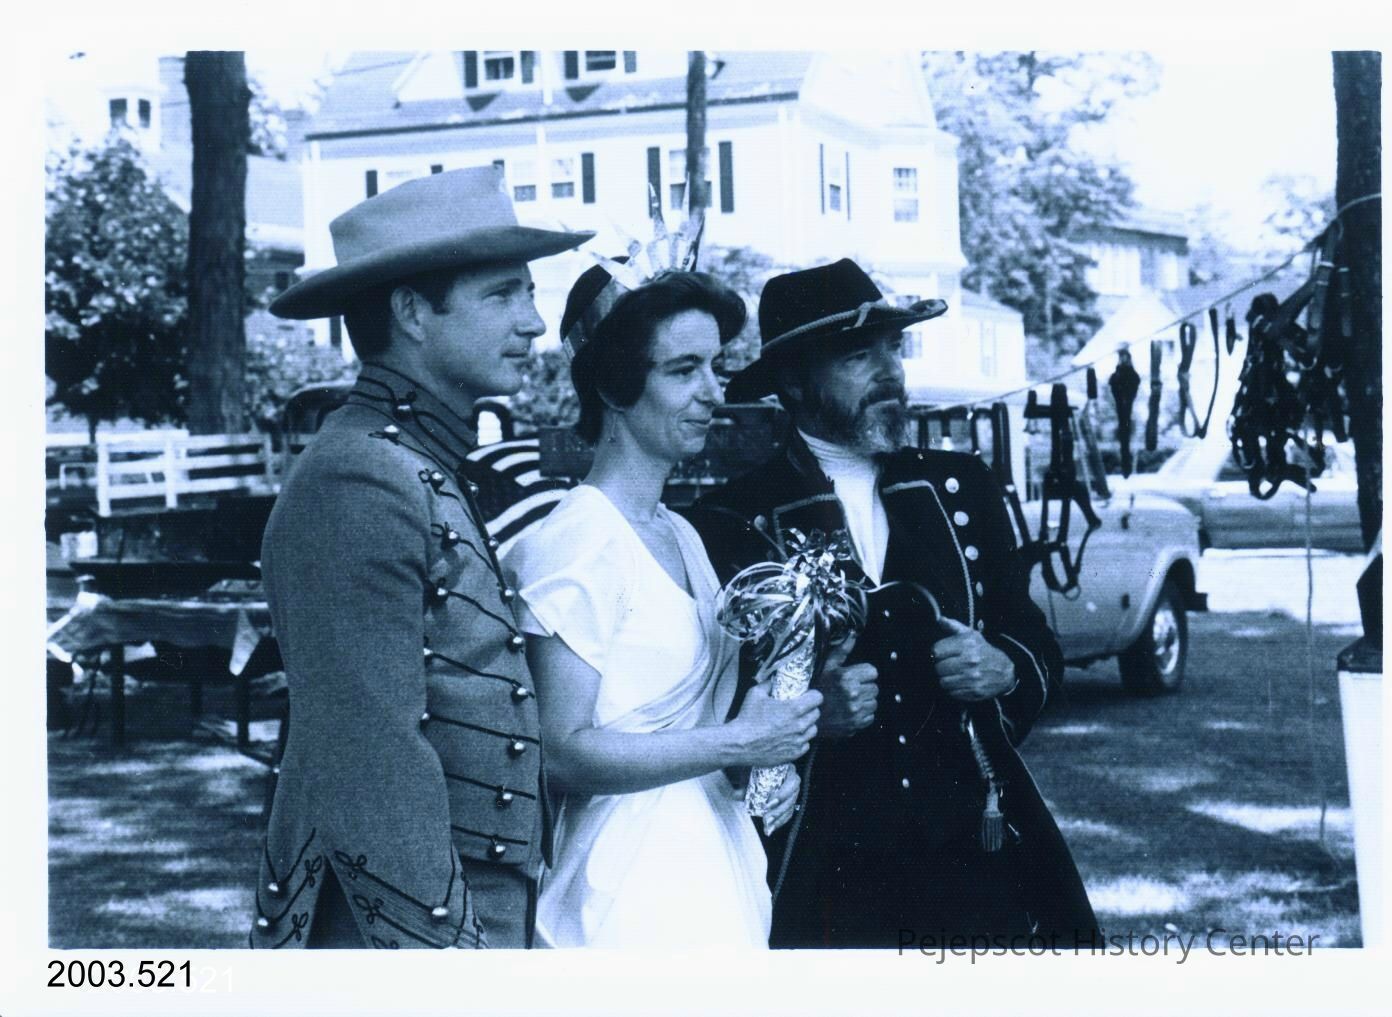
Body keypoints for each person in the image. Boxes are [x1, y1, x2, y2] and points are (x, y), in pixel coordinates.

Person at [689, 259, 1098, 948]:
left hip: (974, 849)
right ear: (794, 381)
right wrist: (810, 713)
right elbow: (712, 714)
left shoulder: (962, 485)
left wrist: (1002, 667)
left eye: (893, 349)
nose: (890, 373)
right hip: (822, 865)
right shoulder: (731, 520)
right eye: (858, 357)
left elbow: (1034, 643)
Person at [249, 166, 593, 949]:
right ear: (411, 312)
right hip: (398, 926)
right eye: (503, 295)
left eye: (529, 293)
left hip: (466, 901)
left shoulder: (415, 460)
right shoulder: (359, 475)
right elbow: (371, 762)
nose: (534, 322)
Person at [501, 264, 823, 948]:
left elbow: (696, 726)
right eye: (684, 370)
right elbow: (560, 753)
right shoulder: (578, 540)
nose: (714, 392)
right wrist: (740, 742)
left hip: (714, 856)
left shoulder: (682, 534)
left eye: (716, 367)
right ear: (614, 386)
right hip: (623, 887)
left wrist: (759, 763)